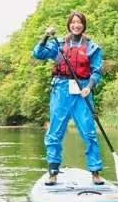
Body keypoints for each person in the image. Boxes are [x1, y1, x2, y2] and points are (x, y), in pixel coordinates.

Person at [32, 10, 104, 185]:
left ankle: (95, 171)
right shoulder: (58, 44)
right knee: (54, 132)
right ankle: (53, 172)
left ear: (83, 25)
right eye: (73, 22)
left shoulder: (92, 47)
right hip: (61, 90)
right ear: (69, 25)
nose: (76, 25)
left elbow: (97, 71)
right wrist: (45, 36)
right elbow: (38, 53)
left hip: (82, 91)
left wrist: (88, 87)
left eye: (79, 22)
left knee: (89, 132)